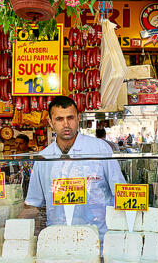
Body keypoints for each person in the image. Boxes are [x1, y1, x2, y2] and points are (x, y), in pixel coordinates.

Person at [19, 96, 125, 236]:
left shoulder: (100, 149)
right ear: (51, 122)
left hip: (97, 237)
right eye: (59, 119)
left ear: (78, 119)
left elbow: (120, 192)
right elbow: (33, 203)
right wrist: (13, 228)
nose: (66, 124)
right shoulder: (44, 158)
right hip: (58, 237)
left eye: (70, 118)